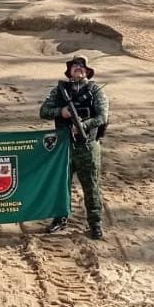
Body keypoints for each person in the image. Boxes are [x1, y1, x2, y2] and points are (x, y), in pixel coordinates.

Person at [38, 55, 108, 239]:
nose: (78, 68)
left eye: (81, 66)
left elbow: (102, 117)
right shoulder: (60, 91)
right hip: (63, 148)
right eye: (74, 66)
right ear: (69, 71)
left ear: (87, 71)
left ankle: (95, 223)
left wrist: (83, 125)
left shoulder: (95, 91)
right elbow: (43, 112)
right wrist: (61, 112)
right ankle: (60, 218)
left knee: (91, 186)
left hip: (87, 146)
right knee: (61, 184)